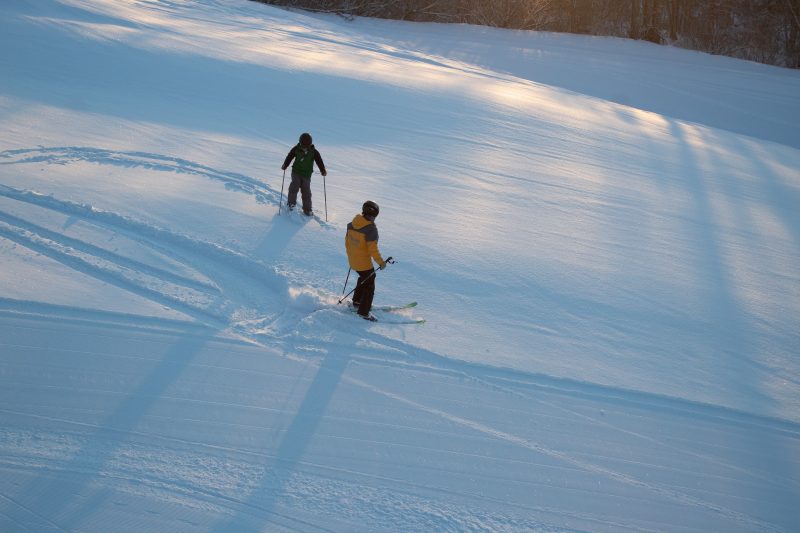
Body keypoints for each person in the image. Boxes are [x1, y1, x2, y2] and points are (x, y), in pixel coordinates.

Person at [345, 200, 387, 321]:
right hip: (363, 263)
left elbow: (347, 243)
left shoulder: (352, 224)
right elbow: (373, 250)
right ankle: (363, 312)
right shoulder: (370, 229)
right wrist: (381, 262)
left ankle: (357, 302)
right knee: (369, 284)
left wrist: (351, 256)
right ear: (373, 215)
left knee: (363, 278)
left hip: (353, 261)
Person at [281, 132, 327, 216]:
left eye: (307, 146)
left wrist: (322, 170)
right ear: (300, 143)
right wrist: (285, 164)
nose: (305, 148)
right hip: (296, 172)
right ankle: (291, 205)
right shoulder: (296, 149)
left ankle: (307, 210)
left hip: (306, 174)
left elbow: (319, 161)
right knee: (294, 187)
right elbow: (290, 156)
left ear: (310, 144)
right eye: (303, 146)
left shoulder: (314, 152)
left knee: (306, 192)